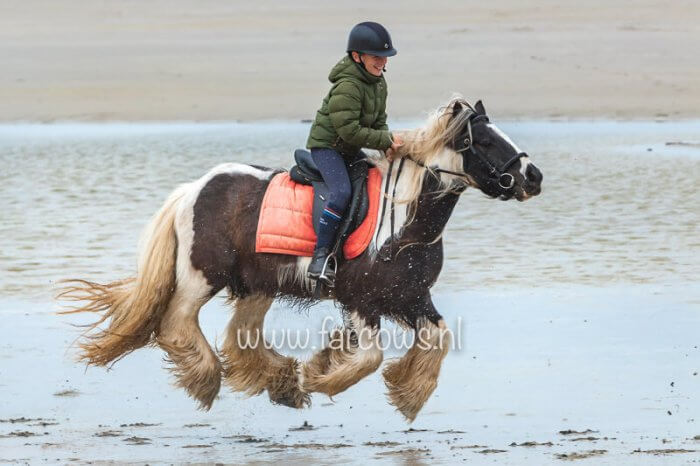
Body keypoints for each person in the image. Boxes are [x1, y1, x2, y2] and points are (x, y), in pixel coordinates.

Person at [306, 21, 403, 285]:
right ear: (357, 56)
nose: (381, 62)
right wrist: (385, 139)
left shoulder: (378, 82)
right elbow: (348, 130)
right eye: (376, 57)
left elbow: (379, 122)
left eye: (384, 57)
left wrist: (386, 146)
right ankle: (321, 256)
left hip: (348, 148)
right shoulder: (348, 85)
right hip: (327, 147)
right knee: (342, 192)